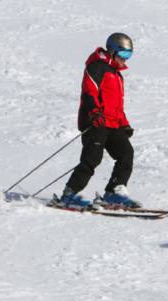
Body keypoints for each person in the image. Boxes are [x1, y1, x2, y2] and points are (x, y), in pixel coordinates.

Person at [56, 32, 139, 209]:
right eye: (123, 54)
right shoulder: (96, 67)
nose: (126, 59)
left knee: (126, 154)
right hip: (95, 122)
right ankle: (70, 193)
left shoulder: (118, 75)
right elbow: (89, 91)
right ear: (112, 50)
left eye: (129, 55)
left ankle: (113, 192)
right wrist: (94, 113)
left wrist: (124, 124)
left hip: (112, 123)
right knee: (92, 158)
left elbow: (117, 106)